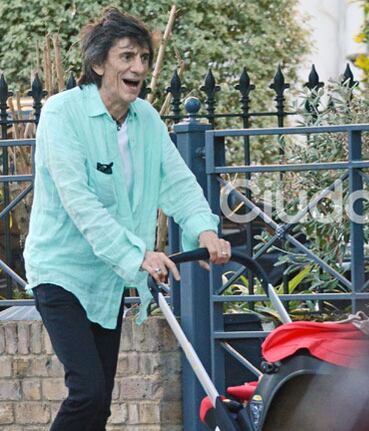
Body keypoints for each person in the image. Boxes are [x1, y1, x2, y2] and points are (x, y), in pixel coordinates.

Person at [23, 8, 232, 431]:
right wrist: (138, 254)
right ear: (99, 64)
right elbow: (78, 200)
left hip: (108, 279)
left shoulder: (146, 120)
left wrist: (205, 229)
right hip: (60, 271)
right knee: (88, 393)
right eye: (126, 57)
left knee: (99, 405)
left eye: (143, 58)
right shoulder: (62, 114)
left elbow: (177, 181)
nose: (137, 68)